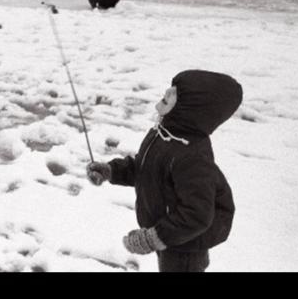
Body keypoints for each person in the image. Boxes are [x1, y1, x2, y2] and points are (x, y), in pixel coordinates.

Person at [86, 70, 242, 272]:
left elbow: (196, 215)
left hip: (185, 246)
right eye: (171, 87)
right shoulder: (164, 133)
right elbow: (146, 168)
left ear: (192, 109)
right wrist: (111, 171)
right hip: (169, 234)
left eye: (176, 93)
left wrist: (154, 238)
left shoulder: (192, 157)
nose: (167, 92)